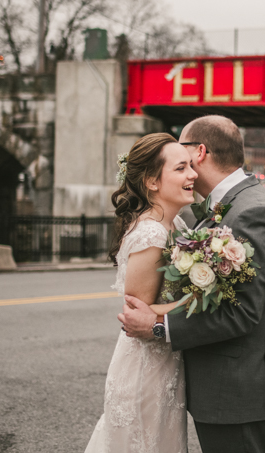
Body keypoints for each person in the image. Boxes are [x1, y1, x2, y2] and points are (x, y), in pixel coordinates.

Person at [119, 115, 265, 453]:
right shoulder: (223, 208)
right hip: (219, 388)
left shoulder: (252, 213)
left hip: (233, 390)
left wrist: (158, 326)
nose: (183, 166)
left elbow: (241, 313)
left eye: (183, 155)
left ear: (200, 152)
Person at [85, 132, 198, 453]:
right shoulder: (151, 234)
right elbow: (138, 312)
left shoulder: (177, 226)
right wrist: (197, 299)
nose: (192, 174)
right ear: (152, 181)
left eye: (191, 165)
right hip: (145, 370)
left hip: (166, 364)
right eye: (180, 168)